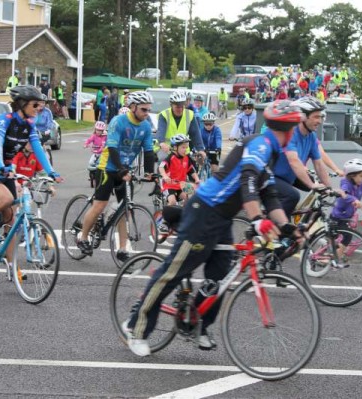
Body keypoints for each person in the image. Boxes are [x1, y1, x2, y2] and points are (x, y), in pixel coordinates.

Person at [123, 100, 304, 357]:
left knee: (219, 277)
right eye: (294, 129)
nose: (295, 134)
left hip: (223, 218)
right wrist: (256, 219)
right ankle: (136, 327)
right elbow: (248, 179)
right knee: (173, 271)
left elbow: (270, 194)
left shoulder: (272, 151)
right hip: (204, 211)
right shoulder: (260, 145)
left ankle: (195, 324)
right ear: (285, 128)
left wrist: (287, 227)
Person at [0, 85, 62, 267]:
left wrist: (51, 172)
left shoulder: (29, 125)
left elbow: (38, 149)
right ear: (22, 104)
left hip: (6, 173)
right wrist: (0, 166)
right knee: (6, 199)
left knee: (12, 221)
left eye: (40, 105)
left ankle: (12, 266)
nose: (39, 108)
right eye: (35, 105)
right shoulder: (6, 120)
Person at [76, 91, 156, 261]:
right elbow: (112, 148)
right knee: (100, 205)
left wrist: (150, 173)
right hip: (108, 167)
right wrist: (120, 169)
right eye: (144, 109)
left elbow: (148, 151)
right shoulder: (118, 121)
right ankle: (82, 237)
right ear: (133, 107)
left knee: (124, 209)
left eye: (149, 110)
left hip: (125, 170)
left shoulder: (146, 126)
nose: (146, 113)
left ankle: (122, 249)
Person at [271, 97, 332, 218]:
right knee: (292, 196)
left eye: (320, 117)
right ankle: (274, 227)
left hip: (290, 177)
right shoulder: (291, 133)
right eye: (316, 117)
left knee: (320, 188)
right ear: (303, 117)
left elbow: (319, 164)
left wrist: (329, 189)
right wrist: (311, 185)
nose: (320, 121)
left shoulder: (311, 136)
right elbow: (294, 161)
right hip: (271, 176)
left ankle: (299, 221)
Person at [156, 90, 205, 161]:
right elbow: (161, 131)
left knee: (190, 166)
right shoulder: (164, 115)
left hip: (183, 148)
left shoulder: (190, 115)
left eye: (182, 106)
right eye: (177, 107)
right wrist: (162, 143)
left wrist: (200, 149)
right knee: (164, 162)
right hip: (166, 148)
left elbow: (195, 134)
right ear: (171, 105)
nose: (180, 109)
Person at [158, 134, 200, 206]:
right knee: (172, 202)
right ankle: (167, 216)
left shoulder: (186, 158)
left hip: (181, 184)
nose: (185, 150)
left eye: (186, 147)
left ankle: (183, 214)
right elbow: (161, 167)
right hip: (169, 185)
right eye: (183, 147)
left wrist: (197, 179)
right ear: (175, 147)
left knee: (192, 197)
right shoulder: (170, 158)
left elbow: (191, 171)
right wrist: (165, 176)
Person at [35, 94, 55, 161]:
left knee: (40, 143)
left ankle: (45, 158)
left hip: (44, 133)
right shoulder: (33, 110)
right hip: (34, 133)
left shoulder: (47, 112)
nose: (41, 104)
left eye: (43, 102)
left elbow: (50, 122)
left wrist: (48, 129)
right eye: (40, 102)